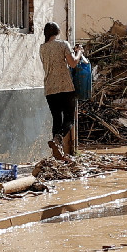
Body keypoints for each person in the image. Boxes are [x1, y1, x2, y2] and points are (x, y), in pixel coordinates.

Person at [40, 23, 82, 160]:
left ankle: (56, 153)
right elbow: (73, 63)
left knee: (56, 119)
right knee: (69, 118)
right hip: (65, 87)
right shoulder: (63, 44)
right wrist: (79, 52)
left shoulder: (42, 48)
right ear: (58, 32)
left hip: (49, 88)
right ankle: (58, 139)